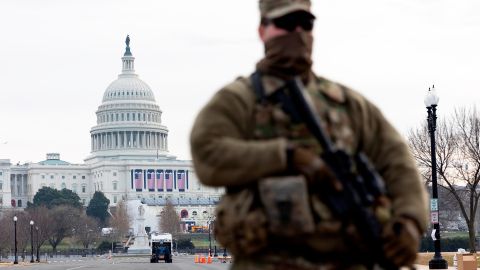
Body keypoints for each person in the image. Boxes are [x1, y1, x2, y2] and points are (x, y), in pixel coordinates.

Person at [190, 0, 428, 269]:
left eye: (306, 24)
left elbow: (398, 164)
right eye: (286, 23)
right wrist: (285, 156)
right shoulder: (238, 101)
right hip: (268, 261)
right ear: (262, 31)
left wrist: (409, 221)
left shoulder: (348, 104)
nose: (298, 32)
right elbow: (207, 154)